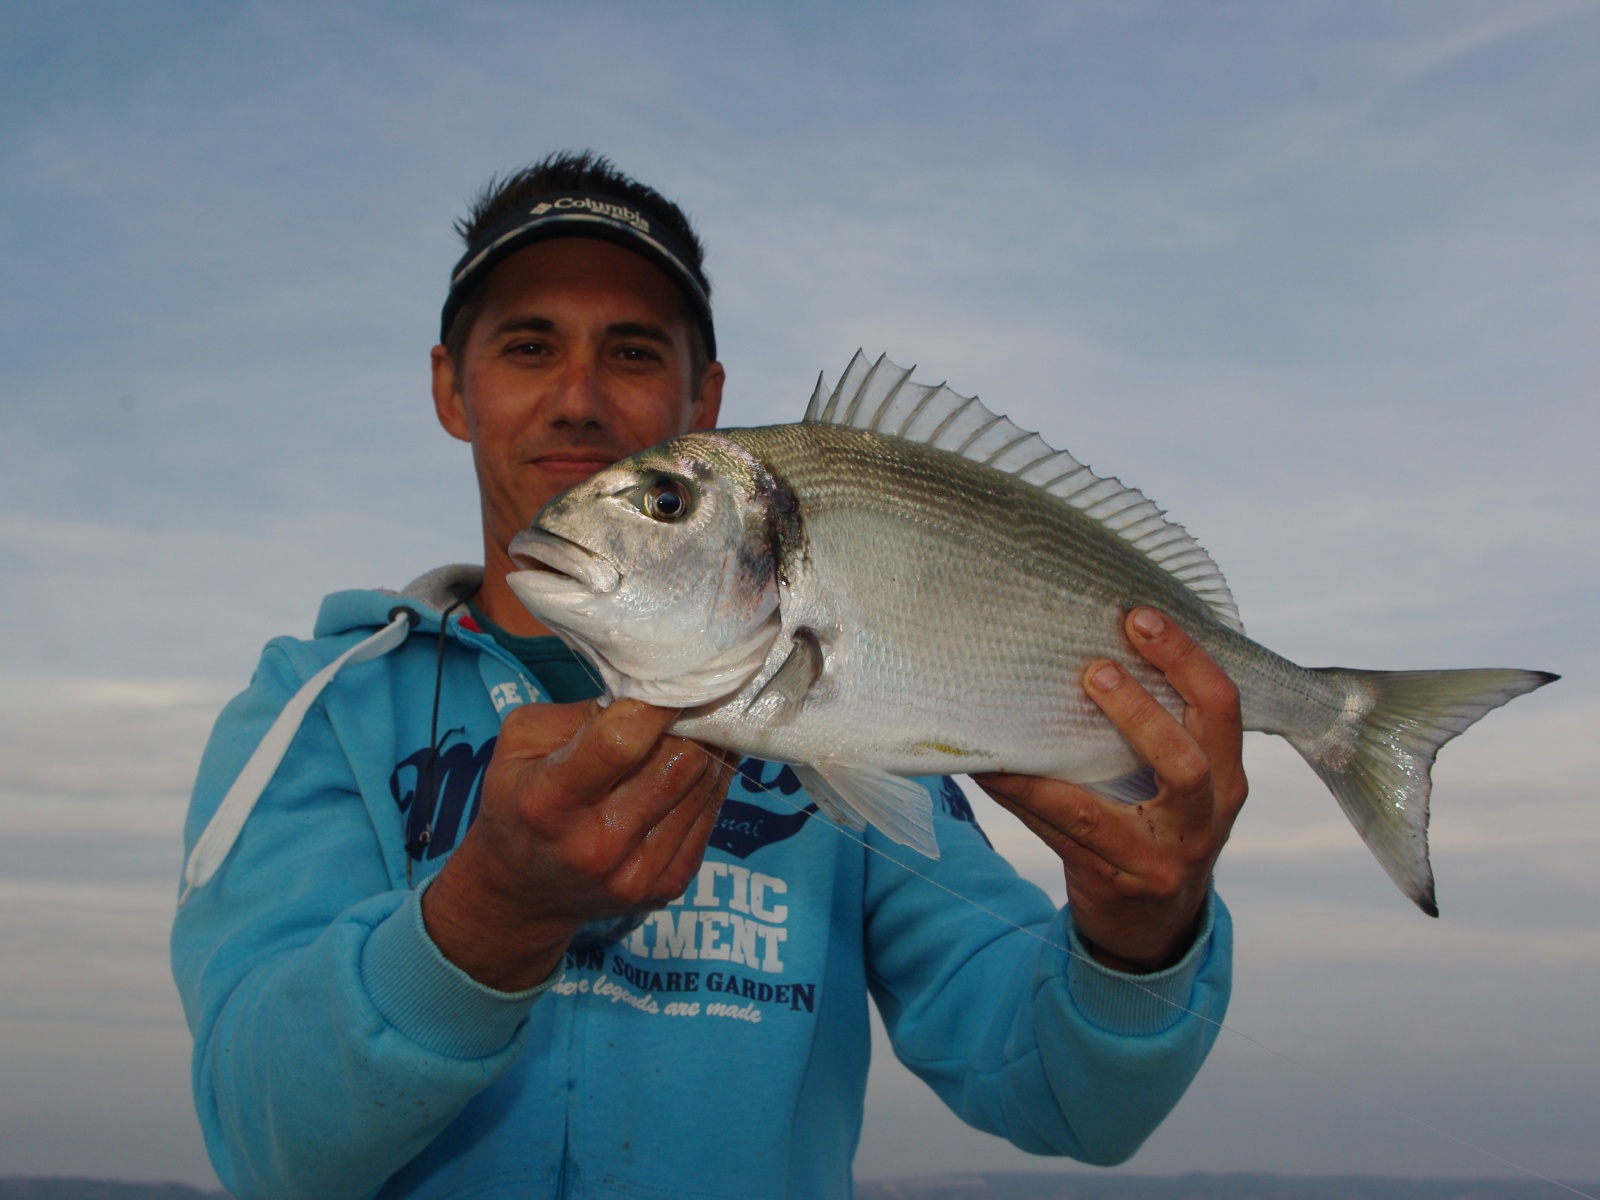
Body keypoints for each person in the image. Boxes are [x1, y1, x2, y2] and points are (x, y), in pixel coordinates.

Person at [171, 151, 1247, 1200]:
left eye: (634, 352)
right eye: (529, 346)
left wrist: (1142, 937)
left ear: (706, 399)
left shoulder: (848, 735)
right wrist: (489, 915)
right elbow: (268, 1144)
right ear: (453, 388)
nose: (579, 399)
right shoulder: (318, 710)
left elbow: (1069, 1101)